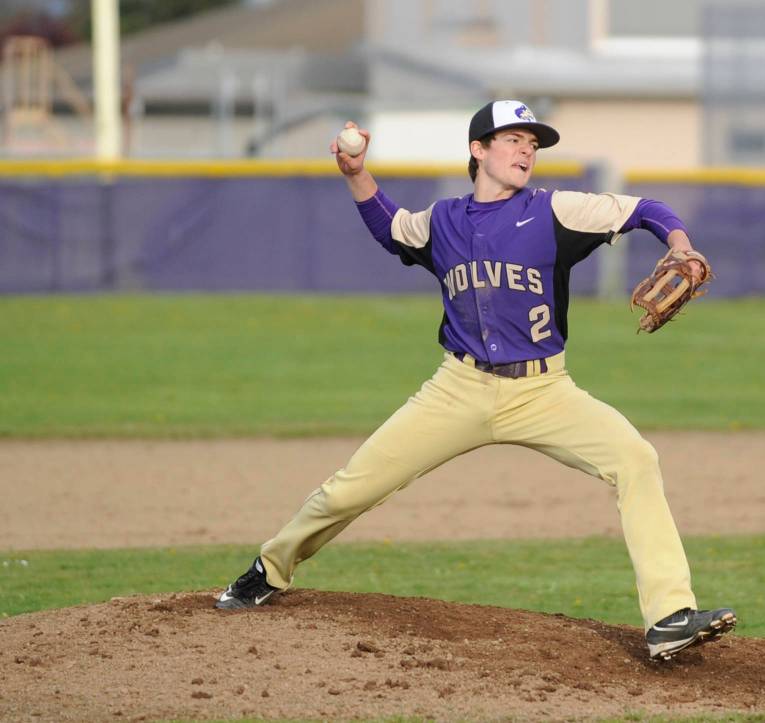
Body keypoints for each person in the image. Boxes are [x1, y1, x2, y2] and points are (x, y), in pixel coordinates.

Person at [215, 100, 736, 660]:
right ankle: (269, 569)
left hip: (544, 390)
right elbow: (391, 229)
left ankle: (668, 617)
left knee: (635, 458)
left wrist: (679, 244)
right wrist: (356, 173)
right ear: (478, 150)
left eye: (533, 145)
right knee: (351, 487)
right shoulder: (442, 221)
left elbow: (645, 208)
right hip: (456, 389)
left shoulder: (556, 210)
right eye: (513, 140)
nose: (526, 152)